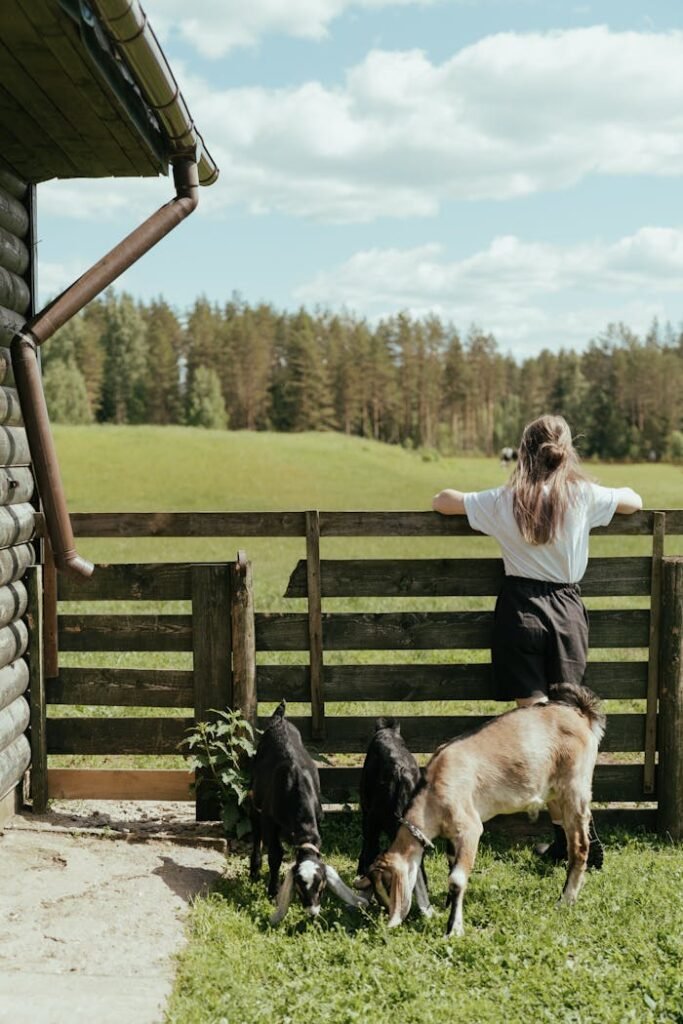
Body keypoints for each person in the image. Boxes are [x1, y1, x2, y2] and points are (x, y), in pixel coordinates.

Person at [431, 414, 643, 865]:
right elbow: (634, 501)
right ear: (566, 452)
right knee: (567, 729)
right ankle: (576, 830)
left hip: (520, 611)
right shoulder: (582, 495)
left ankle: (563, 835)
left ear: (524, 451)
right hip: (567, 613)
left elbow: (444, 500)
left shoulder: (507, 499)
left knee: (534, 729)